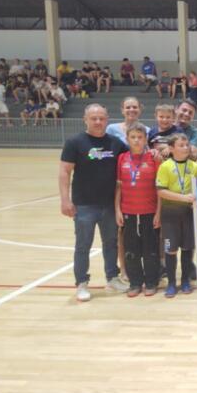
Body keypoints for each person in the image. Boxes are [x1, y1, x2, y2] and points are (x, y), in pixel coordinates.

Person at [59, 104, 128, 302]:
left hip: (108, 205)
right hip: (84, 205)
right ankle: (81, 283)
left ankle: (112, 277)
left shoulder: (115, 143)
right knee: (83, 245)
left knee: (111, 243)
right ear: (85, 119)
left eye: (101, 118)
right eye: (94, 118)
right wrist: (65, 200)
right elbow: (64, 172)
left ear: (107, 119)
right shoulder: (75, 142)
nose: (98, 122)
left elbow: (131, 157)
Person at [114, 122, 161, 298]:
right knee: (131, 249)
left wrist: (158, 212)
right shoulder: (122, 158)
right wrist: (118, 210)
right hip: (128, 211)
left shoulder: (153, 158)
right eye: (133, 137)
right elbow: (118, 186)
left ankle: (151, 282)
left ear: (145, 139)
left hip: (149, 210)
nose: (136, 140)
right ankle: (135, 283)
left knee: (150, 248)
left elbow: (159, 188)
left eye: (140, 137)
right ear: (127, 139)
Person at [156, 133, 197, 297]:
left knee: (188, 248)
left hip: (189, 213)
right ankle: (172, 284)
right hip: (170, 214)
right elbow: (161, 191)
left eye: (187, 144)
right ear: (171, 148)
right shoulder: (165, 166)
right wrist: (183, 197)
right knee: (171, 249)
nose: (185, 147)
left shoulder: (195, 167)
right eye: (181, 145)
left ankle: (186, 281)